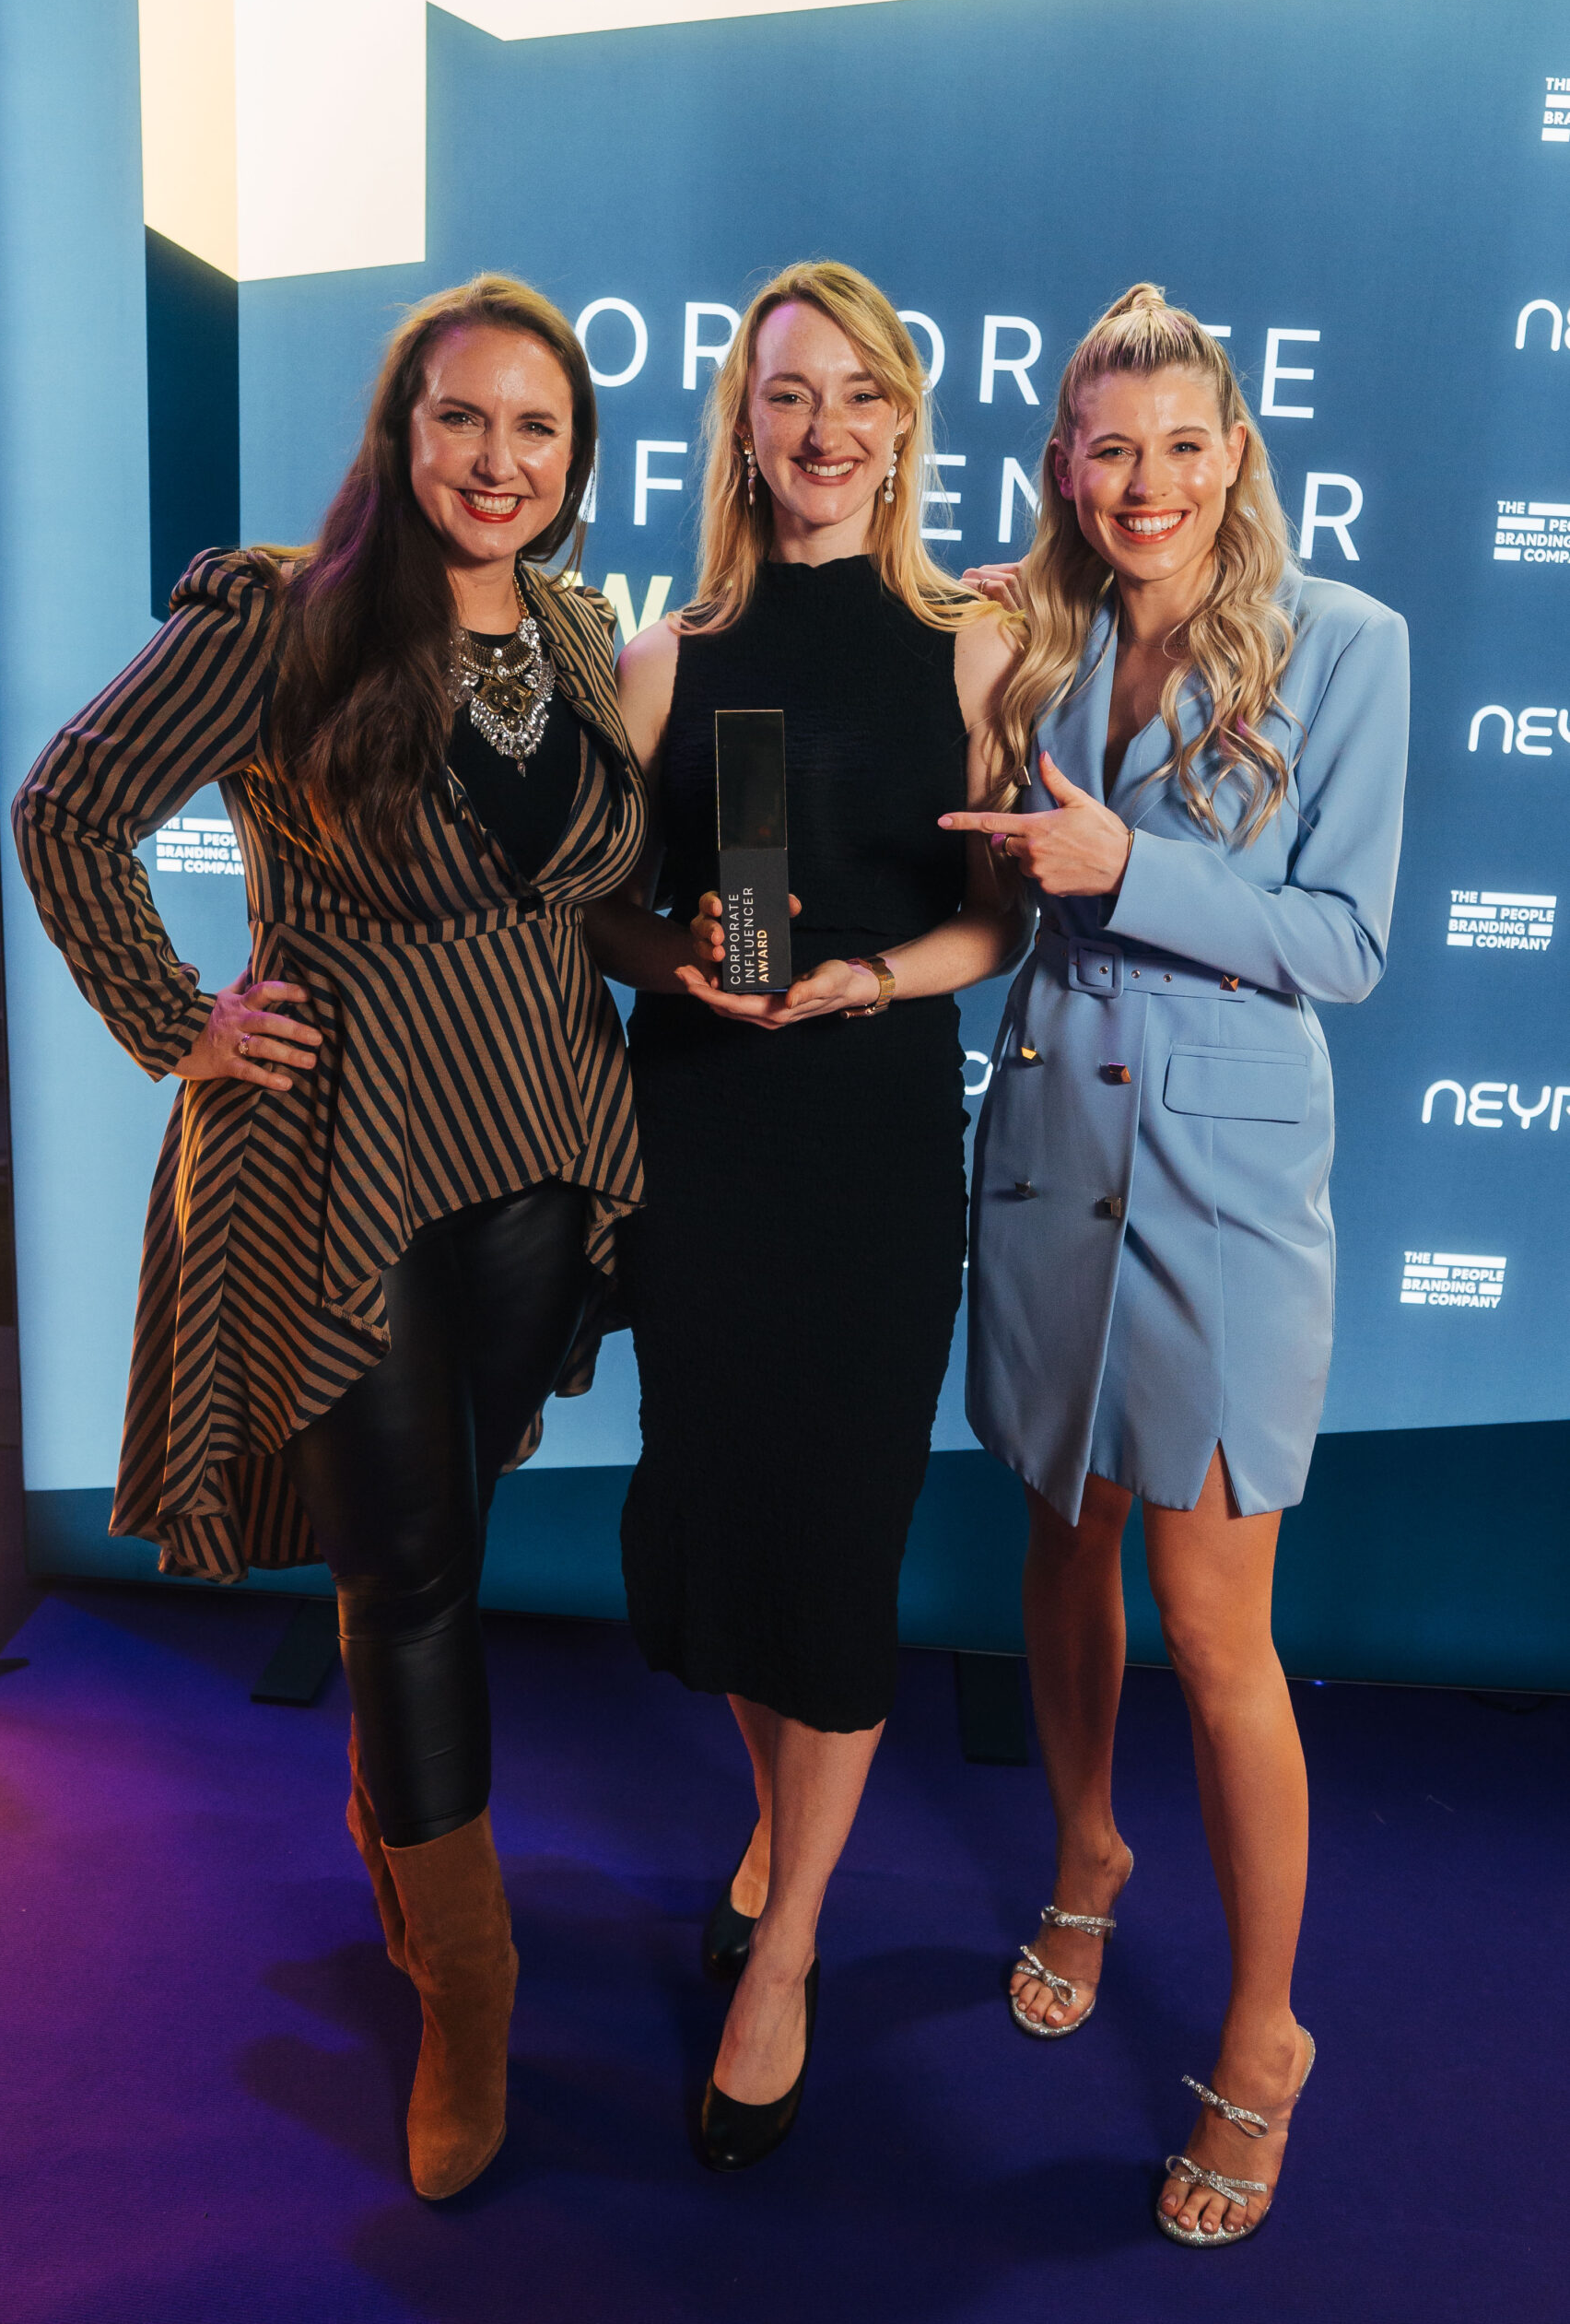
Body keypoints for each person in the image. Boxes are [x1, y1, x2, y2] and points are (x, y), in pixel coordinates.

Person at [13, 275, 646, 2201]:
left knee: (438, 1533)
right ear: (399, 431)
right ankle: (470, 1987)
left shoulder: (571, 629)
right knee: (413, 1563)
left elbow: (572, 885)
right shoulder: (284, 618)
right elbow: (68, 805)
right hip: (343, 1155)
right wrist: (175, 1017)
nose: (497, 461)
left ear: (573, 461)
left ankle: (401, 1842)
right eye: (462, 418)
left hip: (540, 1140)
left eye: (535, 429)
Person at [948, 284, 1407, 2246]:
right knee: (1059, 1537)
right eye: (1107, 449)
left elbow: (1346, 942)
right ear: (1065, 463)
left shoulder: (1348, 642)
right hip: (1051, 1141)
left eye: (1180, 447)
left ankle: (1261, 2031)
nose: (1145, 483)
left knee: (1219, 1630)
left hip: (1226, 1181)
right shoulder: (1025, 633)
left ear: (1236, 455)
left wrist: (1128, 868)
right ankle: (1084, 1854)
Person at [586, 261, 1024, 2170]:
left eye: (857, 393)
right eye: (787, 395)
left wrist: (870, 979)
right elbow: (602, 913)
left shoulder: (972, 650)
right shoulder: (664, 655)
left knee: (836, 1540)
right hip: (700, 1138)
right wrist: (679, 953)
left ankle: (788, 1952)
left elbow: (995, 925)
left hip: (868, 1143)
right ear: (742, 427)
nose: (824, 427)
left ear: (904, 421)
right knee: (730, 1512)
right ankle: (773, 1831)